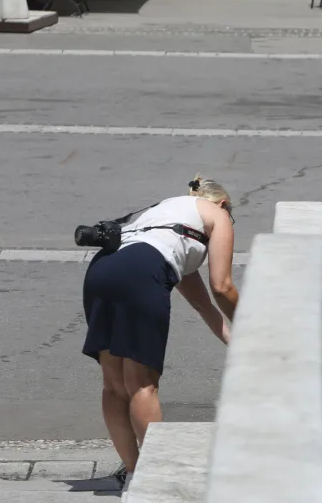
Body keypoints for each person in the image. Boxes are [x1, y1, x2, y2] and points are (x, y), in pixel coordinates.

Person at [81, 175, 238, 491]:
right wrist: (252, 325)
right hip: (141, 271)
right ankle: (157, 479)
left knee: (114, 386)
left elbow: (202, 306)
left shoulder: (166, 215)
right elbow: (222, 287)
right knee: (142, 385)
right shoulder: (217, 214)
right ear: (222, 204)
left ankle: (134, 472)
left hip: (102, 268)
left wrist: (238, 343)